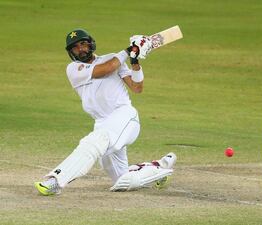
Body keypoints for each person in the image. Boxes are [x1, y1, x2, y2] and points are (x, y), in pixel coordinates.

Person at [34, 29, 177, 195]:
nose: (80, 49)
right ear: (71, 52)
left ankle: (55, 181)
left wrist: (135, 60)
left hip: (124, 116)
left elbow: (137, 87)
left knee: (92, 142)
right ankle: (158, 169)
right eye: (75, 47)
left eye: (83, 44)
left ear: (91, 44)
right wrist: (130, 50)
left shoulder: (112, 58)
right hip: (102, 122)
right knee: (122, 180)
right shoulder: (73, 69)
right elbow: (106, 69)